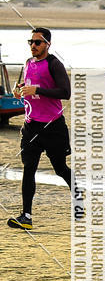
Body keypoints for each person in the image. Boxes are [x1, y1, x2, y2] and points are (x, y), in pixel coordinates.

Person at [7, 29, 74, 231]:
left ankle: (78, 193)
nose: (33, 45)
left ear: (47, 44)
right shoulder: (28, 63)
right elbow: (26, 87)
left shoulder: (54, 64)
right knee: (29, 170)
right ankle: (26, 216)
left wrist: (37, 90)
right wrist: (19, 90)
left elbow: (65, 92)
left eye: (38, 42)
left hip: (53, 127)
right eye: (31, 42)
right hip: (30, 126)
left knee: (60, 169)